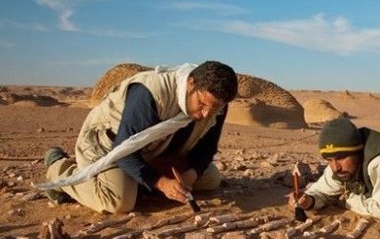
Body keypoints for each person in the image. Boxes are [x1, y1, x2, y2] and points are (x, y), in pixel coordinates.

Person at [43, 61, 238, 213]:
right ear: (190, 84)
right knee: (119, 201)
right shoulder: (151, 94)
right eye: (201, 104)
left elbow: (207, 148)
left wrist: (189, 176)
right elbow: (124, 151)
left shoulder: (217, 105)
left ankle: (139, 183)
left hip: (157, 152)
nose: (205, 114)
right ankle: (59, 168)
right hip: (110, 148)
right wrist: (162, 183)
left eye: (214, 108)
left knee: (210, 179)